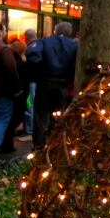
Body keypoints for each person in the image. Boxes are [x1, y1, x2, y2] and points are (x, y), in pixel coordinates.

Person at [26, 22, 77, 151]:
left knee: (40, 115)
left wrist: (38, 72)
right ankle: (53, 144)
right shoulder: (73, 45)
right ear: (69, 32)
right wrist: (70, 76)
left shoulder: (44, 41)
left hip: (45, 82)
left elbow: (32, 54)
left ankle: (38, 145)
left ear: (55, 31)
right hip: (62, 84)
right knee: (58, 116)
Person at [0, 23, 22, 159]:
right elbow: (11, 70)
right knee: (2, 119)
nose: (6, 32)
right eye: (5, 30)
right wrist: (17, 89)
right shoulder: (3, 49)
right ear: (0, 32)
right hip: (1, 92)